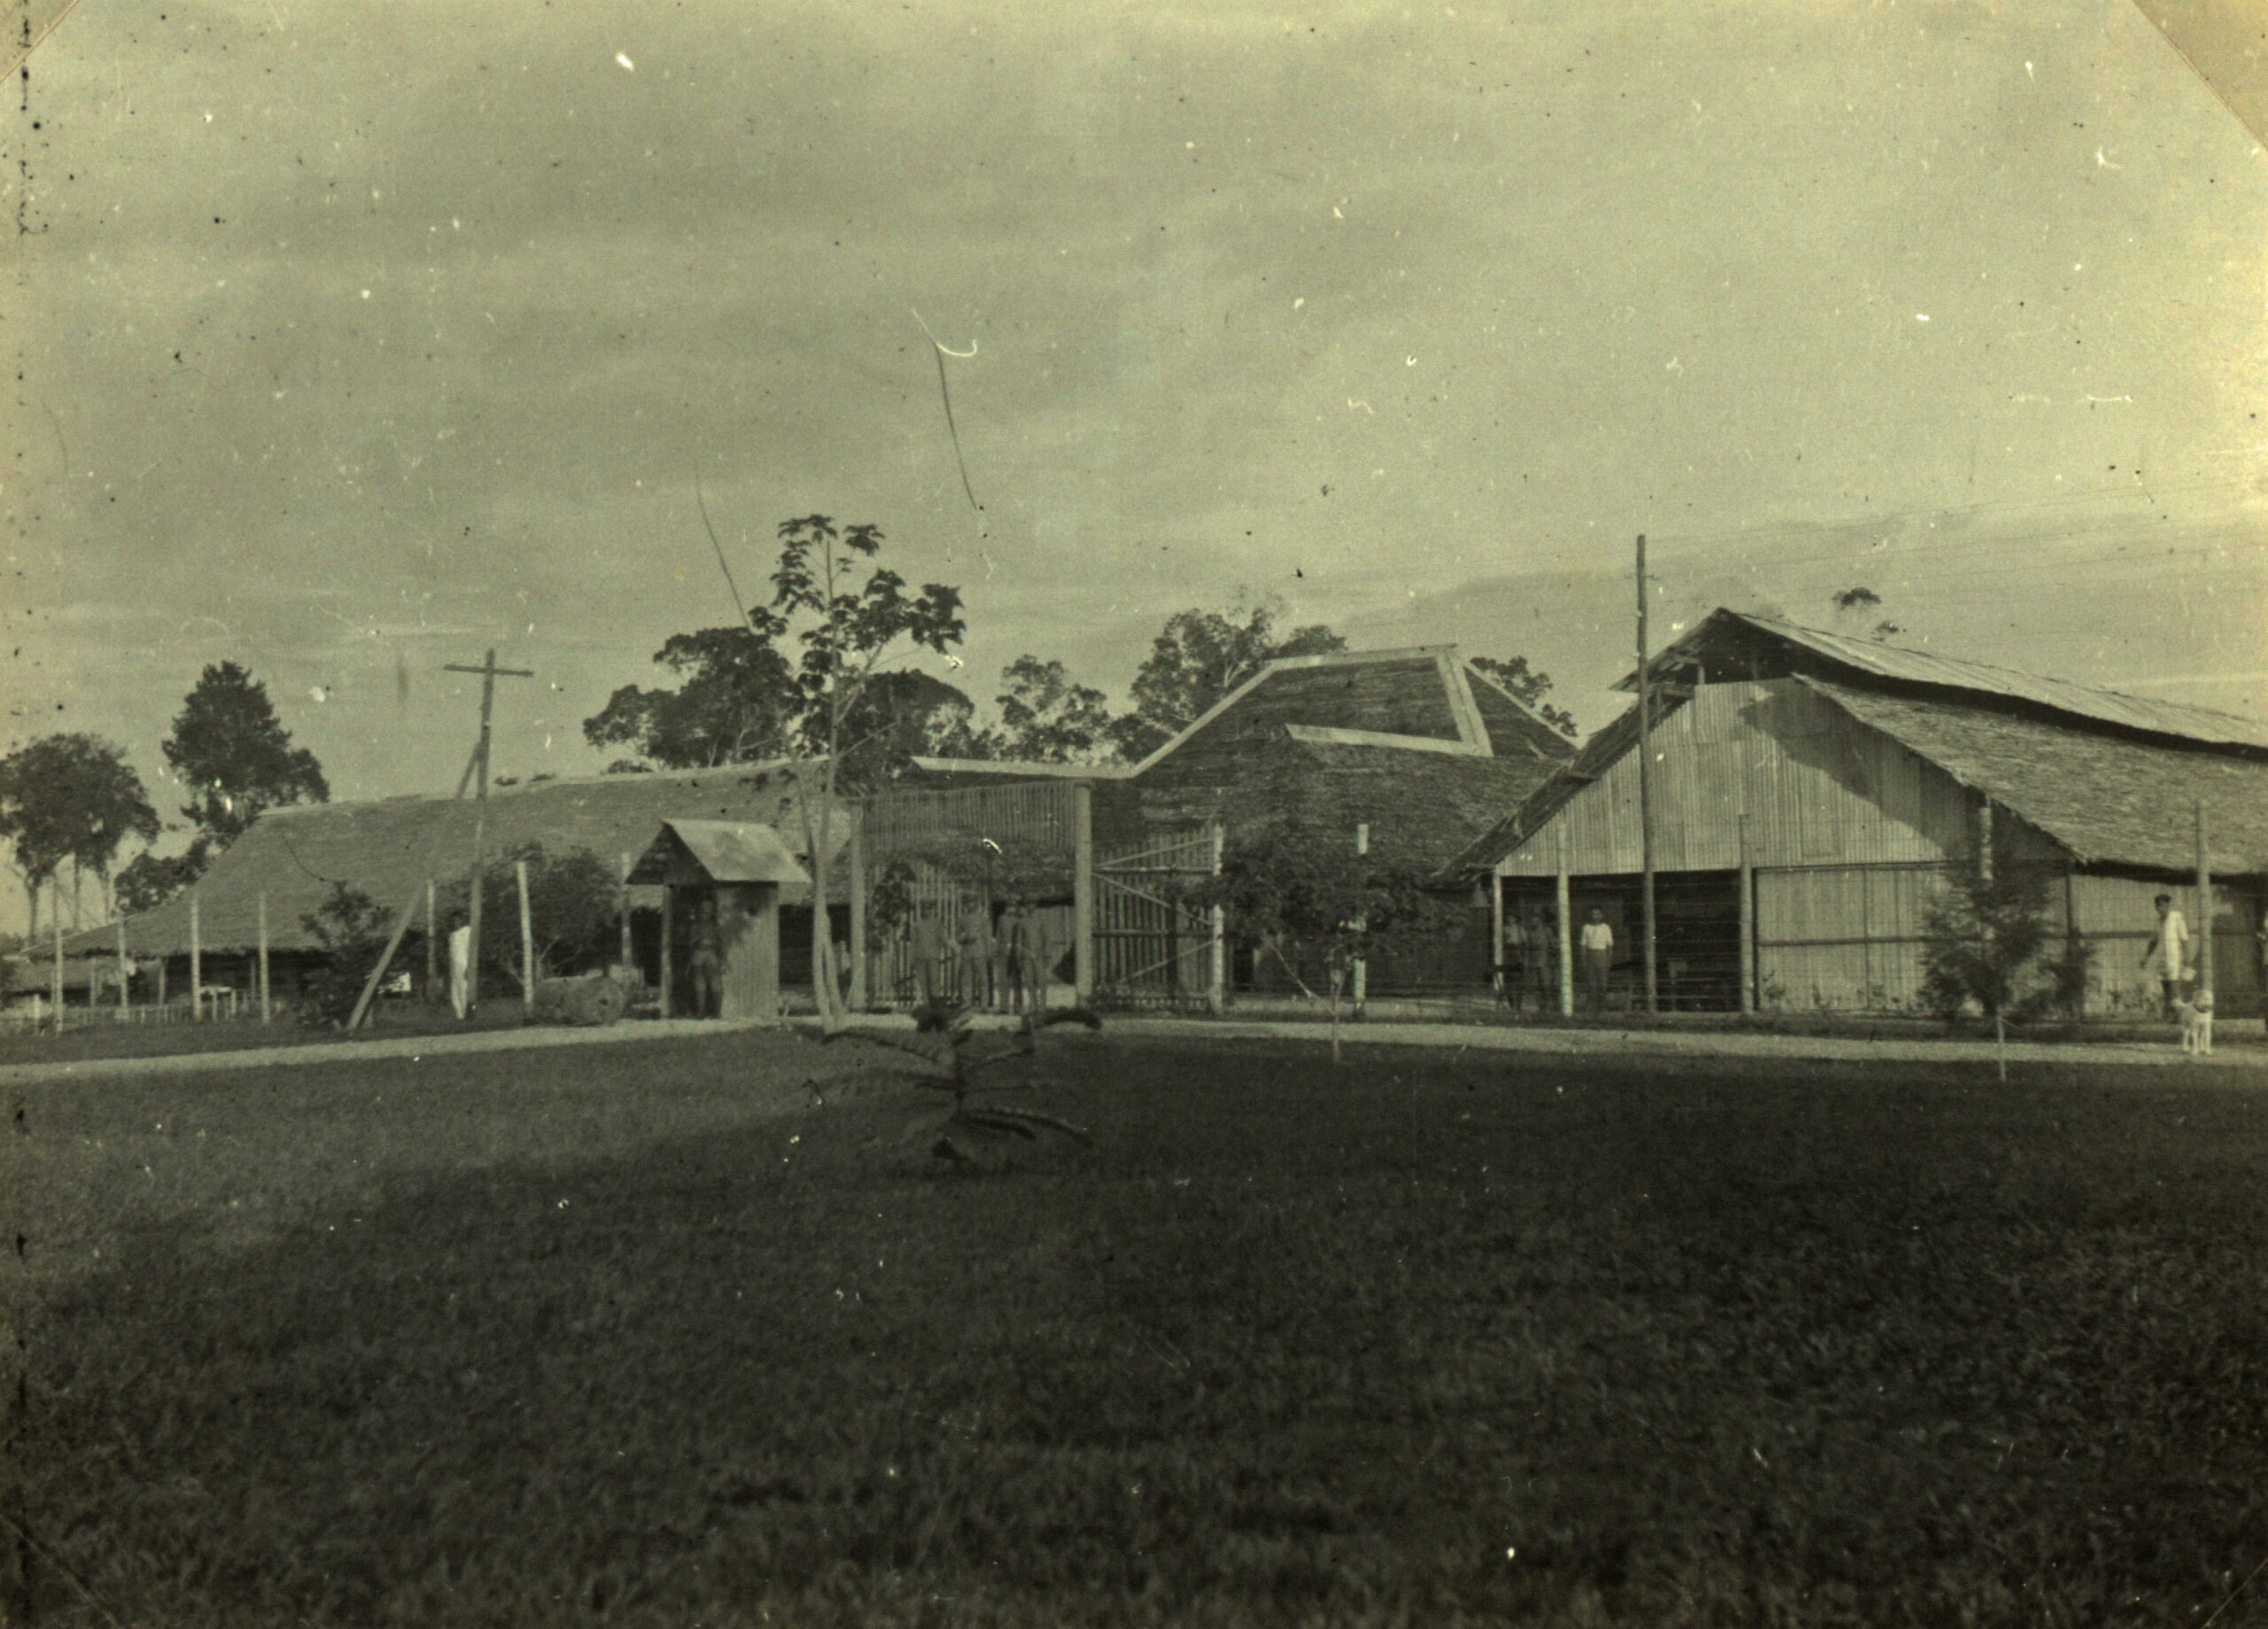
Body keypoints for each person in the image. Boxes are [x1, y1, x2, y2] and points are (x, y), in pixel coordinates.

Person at [2141, 893, 2190, 1020]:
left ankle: (2181, 1017)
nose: (2159, 908)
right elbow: (2153, 941)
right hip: (2162, 959)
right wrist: (2146, 957)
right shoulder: (2158, 922)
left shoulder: (2176, 918)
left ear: (2168, 905)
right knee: (2166, 989)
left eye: (2162, 905)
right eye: (2157, 906)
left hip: (2175, 958)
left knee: (2174, 989)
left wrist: (2187, 959)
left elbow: (2184, 939)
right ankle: (2170, 1017)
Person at [688, 896, 723, 1019]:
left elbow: (721, 943)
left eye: (707, 912)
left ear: (712, 913)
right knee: (699, 984)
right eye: (703, 911)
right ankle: (700, 1013)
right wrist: (699, 941)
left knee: (715, 984)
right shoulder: (695, 926)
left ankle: (717, 1013)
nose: (705, 914)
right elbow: (691, 942)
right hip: (699, 954)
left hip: (711, 955)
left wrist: (711, 944)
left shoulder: (715, 927)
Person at [999, 896, 1034, 1015]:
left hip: (1016, 954)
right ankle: (1003, 1007)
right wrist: (998, 952)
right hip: (1004, 954)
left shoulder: (1021, 920)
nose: (1011, 909)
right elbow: (999, 937)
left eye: (1013, 907)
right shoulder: (1001, 919)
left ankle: (1018, 1007)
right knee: (1004, 981)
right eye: (1008, 906)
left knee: (1017, 981)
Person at [1580, 907, 1614, 1012]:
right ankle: (1592, 1006)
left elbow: (1609, 945)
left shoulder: (1606, 928)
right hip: (1590, 954)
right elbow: (1583, 945)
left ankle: (1602, 1006)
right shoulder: (1586, 927)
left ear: (1601, 916)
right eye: (1593, 914)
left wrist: (1609, 960)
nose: (1595, 916)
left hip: (1602, 954)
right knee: (1591, 983)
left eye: (1597, 914)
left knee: (1602, 983)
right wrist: (1584, 960)